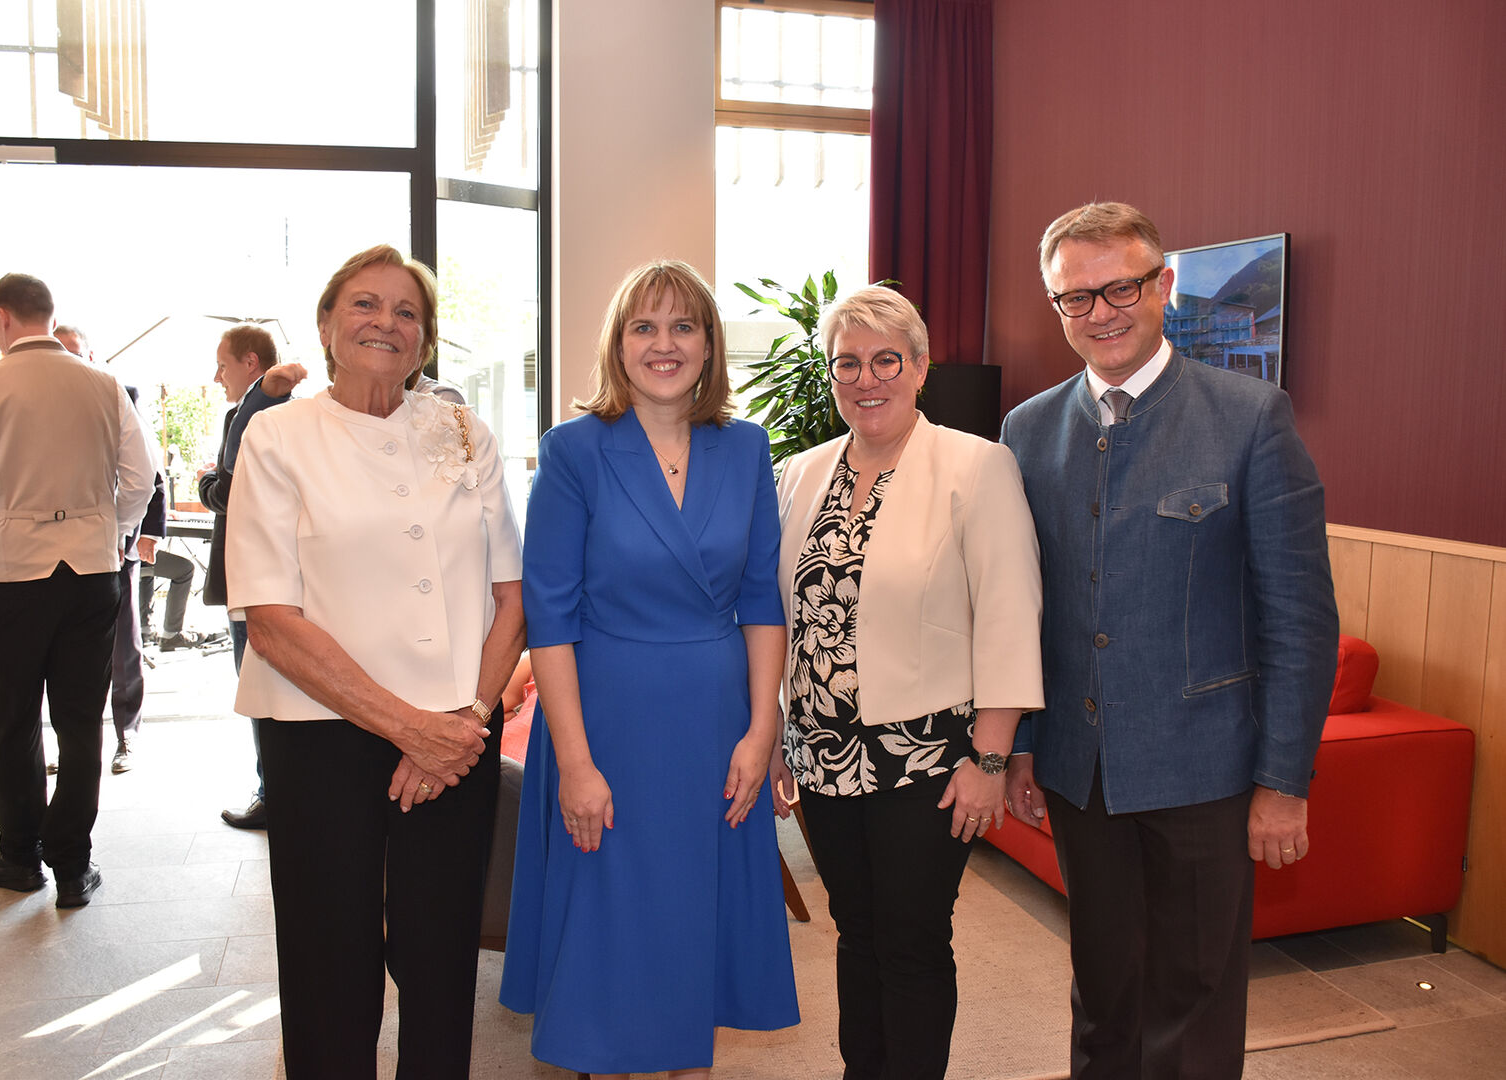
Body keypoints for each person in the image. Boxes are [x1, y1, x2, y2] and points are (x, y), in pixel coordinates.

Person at [999, 201, 1338, 1079]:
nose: (1101, 312)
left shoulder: (1251, 417)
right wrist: (1026, 743)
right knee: (1103, 991)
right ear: (1056, 306)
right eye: (1077, 297)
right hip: (1081, 773)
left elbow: (1299, 616)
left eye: (1122, 287)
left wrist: (1284, 782)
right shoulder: (1027, 431)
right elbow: (1020, 608)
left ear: (1164, 285)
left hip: (1206, 773)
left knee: (1193, 1000)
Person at [226, 244, 524, 1077]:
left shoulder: (465, 430)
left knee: (440, 961)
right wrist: (407, 729)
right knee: (330, 957)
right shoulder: (278, 437)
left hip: (458, 730)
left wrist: (460, 724)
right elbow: (272, 619)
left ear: (424, 341)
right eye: (364, 304)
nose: (384, 323)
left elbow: (516, 596)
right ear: (326, 325)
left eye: (406, 312)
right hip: (321, 732)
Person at [500, 259, 800, 1078]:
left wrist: (760, 727)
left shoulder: (745, 447)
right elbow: (549, 619)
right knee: (612, 929)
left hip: (714, 722)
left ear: (708, 346)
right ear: (618, 345)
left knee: (691, 923)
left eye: (682, 326)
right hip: (608, 721)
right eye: (644, 327)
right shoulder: (573, 452)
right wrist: (575, 761)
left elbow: (761, 601)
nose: (663, 344)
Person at [773, 285, 1045, 1079]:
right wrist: (782, 738)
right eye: (847, 364)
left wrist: (990, 759)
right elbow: (782, 621)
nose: (868, 379)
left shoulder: (976, 466)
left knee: (913, 940)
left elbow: (1009, 612)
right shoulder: (799, 475)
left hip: (926, 759)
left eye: (886, 360)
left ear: (919, 368)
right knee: (854, 932)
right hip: (821, 756)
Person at [0, 272, 158, 909]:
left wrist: (0, 525)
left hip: (12, 574)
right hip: (90, 572)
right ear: (47, 314)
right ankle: (71, 863)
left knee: (13, 720)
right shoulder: (104, 384)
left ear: (1, 318)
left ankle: (19, 857)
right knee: (79, 721)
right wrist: (108, 531)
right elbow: (141, 478)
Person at [198, 323, 304, 830]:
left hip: (259, 578)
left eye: (223, 365)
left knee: (263, 689)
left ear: (251, 364)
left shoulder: (268, 416)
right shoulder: (247, 413)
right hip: (251, 576)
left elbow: (232, 491)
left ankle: (275, 794)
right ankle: (275, 789)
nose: (217, 376)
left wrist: (204, 484)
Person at [53, 324, 164, 774]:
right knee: (66, 652)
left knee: (124, 644)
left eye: (75, 353)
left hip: (115, 544)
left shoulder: (120, 392)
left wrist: (139, 534)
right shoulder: (44, 403)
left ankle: (127, 734)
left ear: (93, 354)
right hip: (59, 550)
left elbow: (148, 471)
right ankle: (75, 744)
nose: (68, 362)